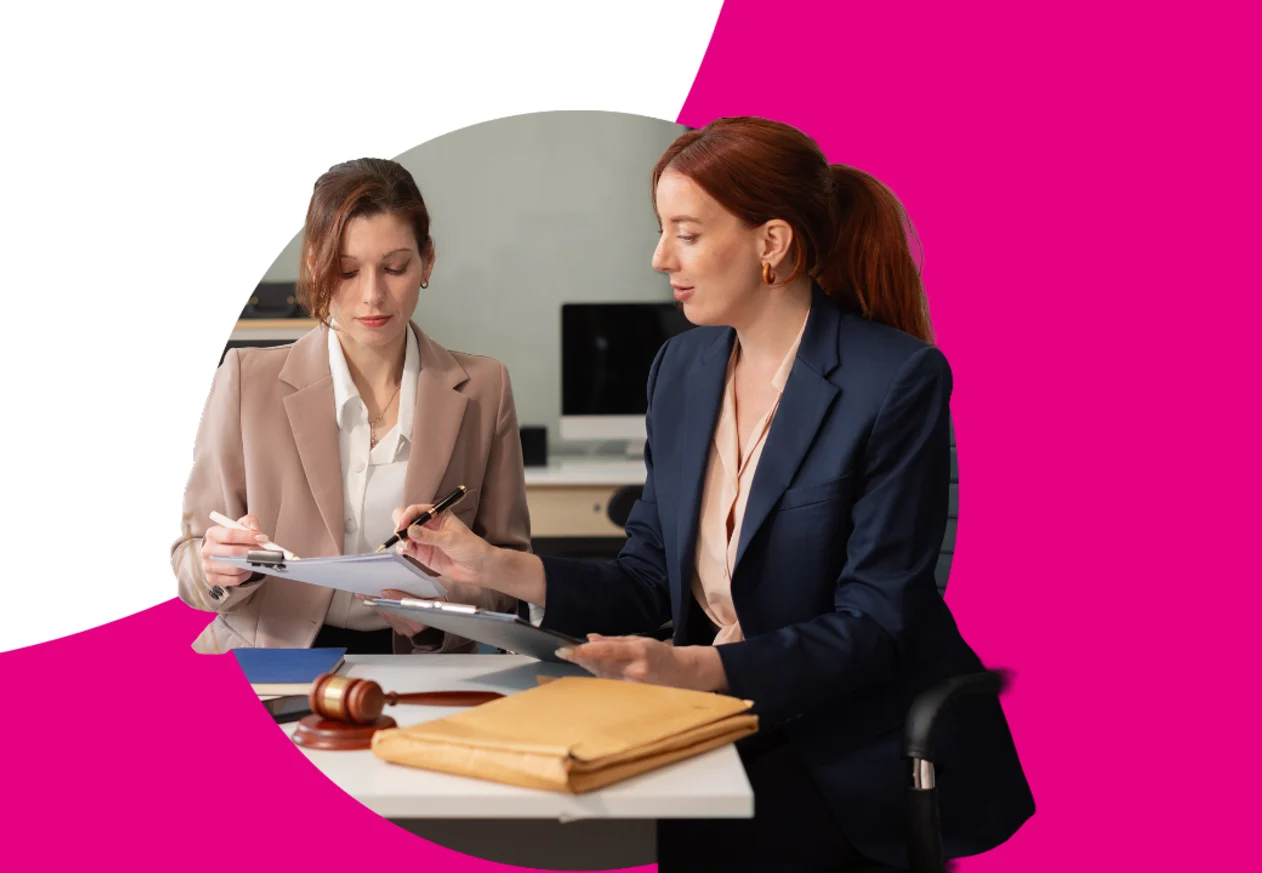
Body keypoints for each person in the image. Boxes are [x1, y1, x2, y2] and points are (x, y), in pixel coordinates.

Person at [389, 118, 1034, 871]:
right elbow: (645, 580)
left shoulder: (894, 380)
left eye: (686, 234)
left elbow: (875, 623)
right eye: (662, 230)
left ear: (772, 244)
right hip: (711, 717)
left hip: (844, 743)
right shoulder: (682, 368)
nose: (660, 257)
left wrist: (695, 669)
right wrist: (490, 564)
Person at [172, 158, 531, 655]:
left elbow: (511, 574)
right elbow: (189, 563)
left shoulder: (484, 390)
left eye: (395, 268)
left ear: (427, 261)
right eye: (347, 271)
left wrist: (437, 613)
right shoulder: (244, 380)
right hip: (270, 658)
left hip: (420, 662)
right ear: (315, 265)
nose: (372, 295)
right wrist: (219, 567)